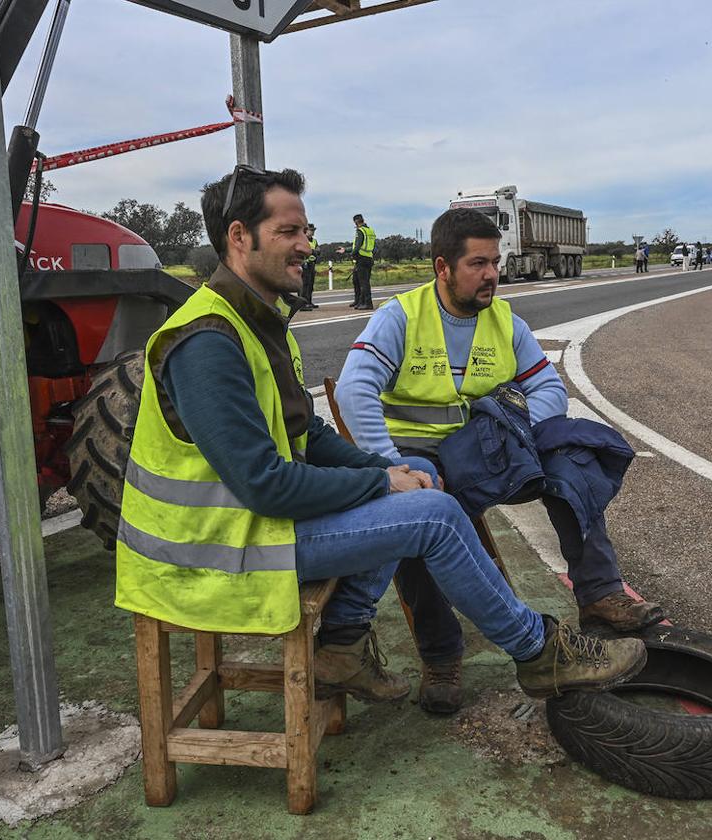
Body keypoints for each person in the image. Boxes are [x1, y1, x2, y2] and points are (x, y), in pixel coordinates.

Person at [113, 165, 648, 708]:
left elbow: (309, 433)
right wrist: (382, 485)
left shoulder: (255, 321)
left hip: (252, 529)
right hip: (213, 552)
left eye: (307, 231)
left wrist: (384, 471)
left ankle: (344, 643)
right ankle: (539, 655)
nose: (307, 246)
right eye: (289, 232)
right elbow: (266, 485)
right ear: (237, 237)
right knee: (431, 514)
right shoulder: (208, 339)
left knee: (416, 490)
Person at [337, 207, 665, 715]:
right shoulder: (400, 316)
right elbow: (356, 389)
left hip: (485, 448)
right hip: (418, 450)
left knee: (571, 459)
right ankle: (441, 656)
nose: (492, 274)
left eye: (495, 261)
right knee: (419, 507)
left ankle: (599, 593)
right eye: (478, 264)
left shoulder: (505, 319)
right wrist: (387, 465)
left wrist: (514, 433)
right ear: (442, 267)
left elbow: (549, 387)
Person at [350, 213, 376, 310]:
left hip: (361, 258)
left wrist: (353, 254)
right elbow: (373, 246)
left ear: (356, 222)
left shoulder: (360, 231)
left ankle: (368, 303)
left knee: (363, 283)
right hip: (369, 258)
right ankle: (360, 302)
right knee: (362, 281)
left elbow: (357, 245)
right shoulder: (370, 231)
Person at [300, 224, 318, 310]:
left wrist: (314, 251)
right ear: (306, 231)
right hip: (304, 264)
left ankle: (309, 302)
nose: (313, 232)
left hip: (312, 264)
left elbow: (318, 251)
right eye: (311, 230)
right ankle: (302, 304)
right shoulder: (302, 240)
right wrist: (313, 251)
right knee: (304, 285)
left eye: (313, 230)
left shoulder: (314, 241)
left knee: (310, 284)